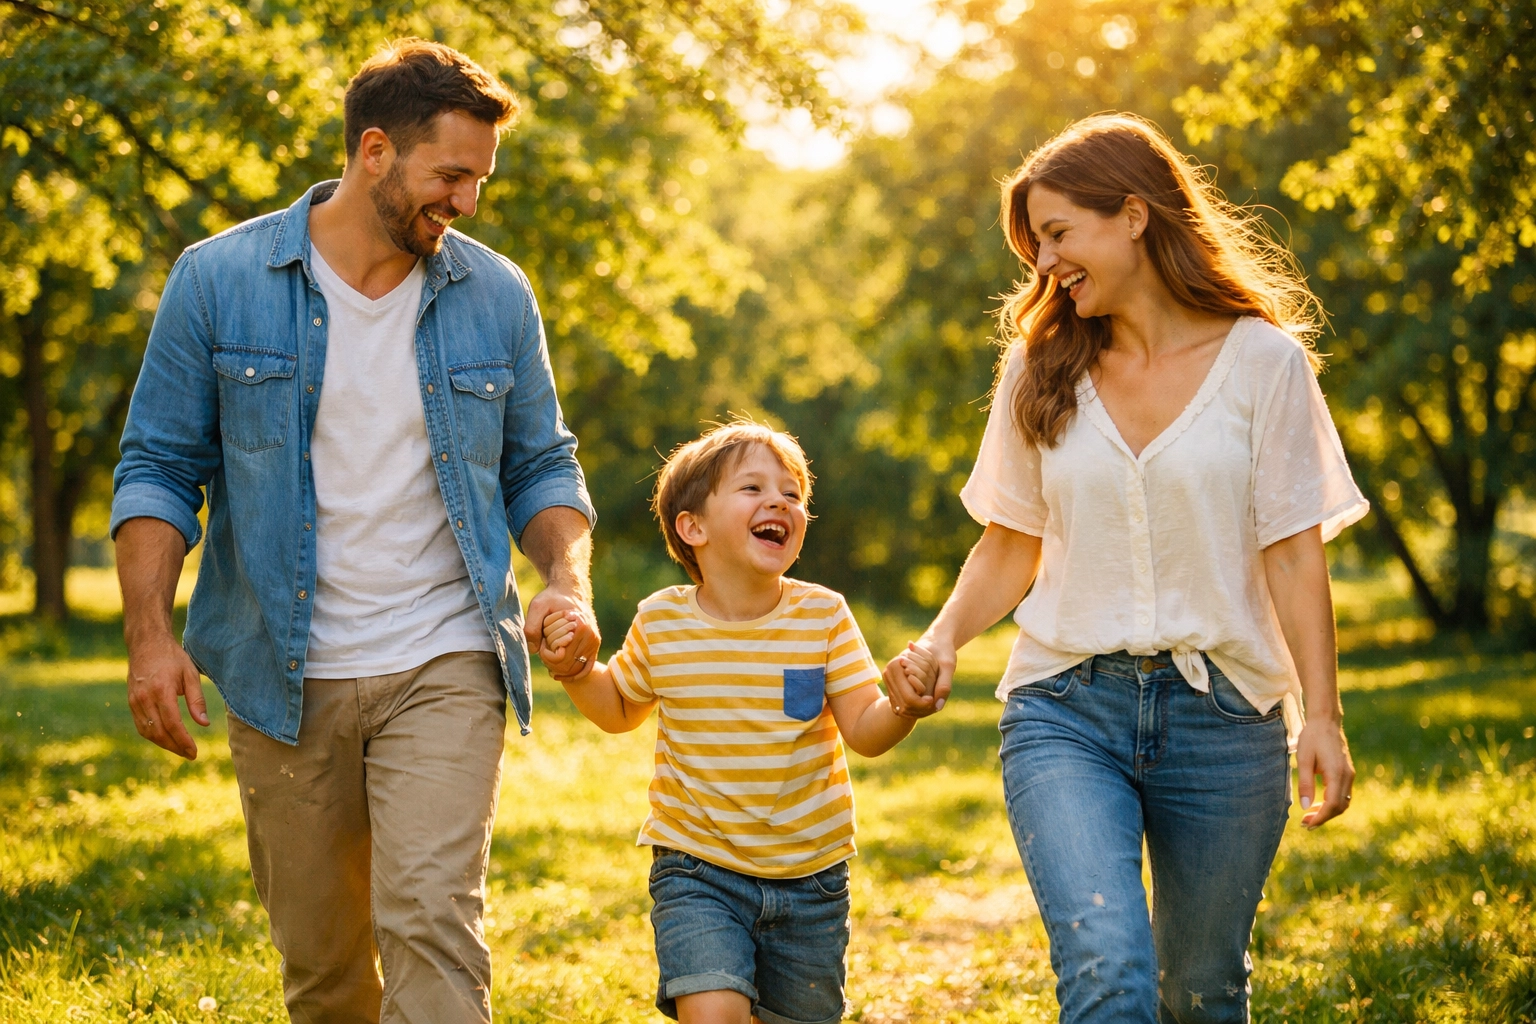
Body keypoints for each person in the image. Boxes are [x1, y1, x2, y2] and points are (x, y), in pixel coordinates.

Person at [111, 39, 600, 1024]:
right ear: (375, 151)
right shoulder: (218, 281)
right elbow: (159, 468)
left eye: (480, 180)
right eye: (451, 176)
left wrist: (566, 578)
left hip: (445, 653)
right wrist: (150, 636)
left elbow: (541, 464)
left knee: (432, 920)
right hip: (280, 670)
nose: (468, 202)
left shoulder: (495, 294)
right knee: (327, 967)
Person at [880, 113, 1367, 1024]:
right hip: (1068, 706)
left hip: (1227, 717)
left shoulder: (1264, 363)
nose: (1046, 263)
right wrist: (940, 640)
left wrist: (1324, 717)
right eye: (1035, 246)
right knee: (1107, 967)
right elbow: (1011, 540)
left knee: (1201, 991)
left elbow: (1294, 552)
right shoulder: (1039, 367)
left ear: (1134, 216)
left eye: (1059, 233)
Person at [538, 421, 935, 1024]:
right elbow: (618, 707)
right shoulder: (663, 622)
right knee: (713, 1012)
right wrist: (575, 671)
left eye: (792, 494)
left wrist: (903, 705)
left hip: (810, 879)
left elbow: (864, 729)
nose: (779, 502)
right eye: (752, 488)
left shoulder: (823, 616)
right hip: (697, 870)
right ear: (692, 528)